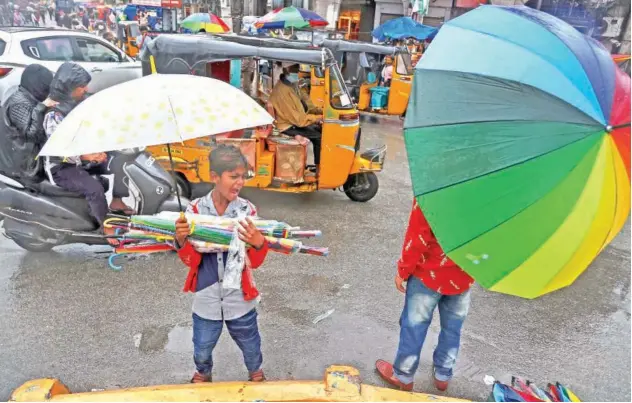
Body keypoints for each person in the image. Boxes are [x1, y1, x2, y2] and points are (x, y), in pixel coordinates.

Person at [174, 144, 269, 384]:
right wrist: (181, 240)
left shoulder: (247, 211)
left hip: (239, 294)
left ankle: (255, 370)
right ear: (214, 176)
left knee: (250, 342)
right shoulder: (194, 210)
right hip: (207, 295)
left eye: (242, 177)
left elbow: (253, 263)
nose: (239, 182)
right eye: (233, 176)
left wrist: (259, 243)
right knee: (202, 346)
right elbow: (192, 260)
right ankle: (203, 372)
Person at [375, 199, 474, 392]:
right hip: (463, 275)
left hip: (428, 275)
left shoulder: (432, 190)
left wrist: (403, 271)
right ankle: (443, 375)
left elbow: (417, 237)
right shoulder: (484, 190)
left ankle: (404, 376)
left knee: (414, 326)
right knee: (452, 328)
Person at [43, 63, 134, 227]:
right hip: (62, 167)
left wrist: (99, 150)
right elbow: (58, 150)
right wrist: (86, 156)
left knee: (122, 160)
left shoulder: (78, 102)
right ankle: (106, 228)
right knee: (95, 189)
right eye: (81, 87)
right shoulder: (54, 114)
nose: (85, 89)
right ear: (69, 88)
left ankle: (117, 201)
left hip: (83, 159)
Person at [1, 64, 56, 180]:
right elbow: (31, 135)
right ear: (36, 85)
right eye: (45, 87)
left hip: (28, 153)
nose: (47, 91)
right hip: (24, 163)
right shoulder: (19, 104)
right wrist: (42, 107)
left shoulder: (28, 96)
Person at [268, 63, 323, 166]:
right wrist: (317, 118)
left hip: (291, 120)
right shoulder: (283, 91)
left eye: (297, 72)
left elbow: (304, 102)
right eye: (295, 72)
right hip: (286, 126)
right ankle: (319, 169)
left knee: (319, 128)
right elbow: (299, 120)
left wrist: (319, 112)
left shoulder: (291, 85)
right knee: (318, 137)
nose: (297, 74)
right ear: (287, 71)